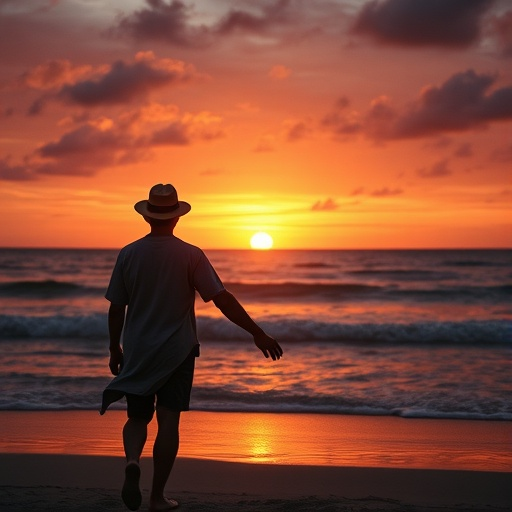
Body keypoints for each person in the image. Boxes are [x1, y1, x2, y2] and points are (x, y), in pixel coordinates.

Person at [100, 183, 283, 512]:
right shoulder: (190, 254)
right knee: (168, 421)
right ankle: (156, 497)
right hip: (177, 351)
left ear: (148, 217)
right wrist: (257, 333)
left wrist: (115, 348)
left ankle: (132, 462)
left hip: (138, 349)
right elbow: (221, 298)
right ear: (176, 218)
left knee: (137, 418)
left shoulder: (128, 253)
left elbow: (116, 307)